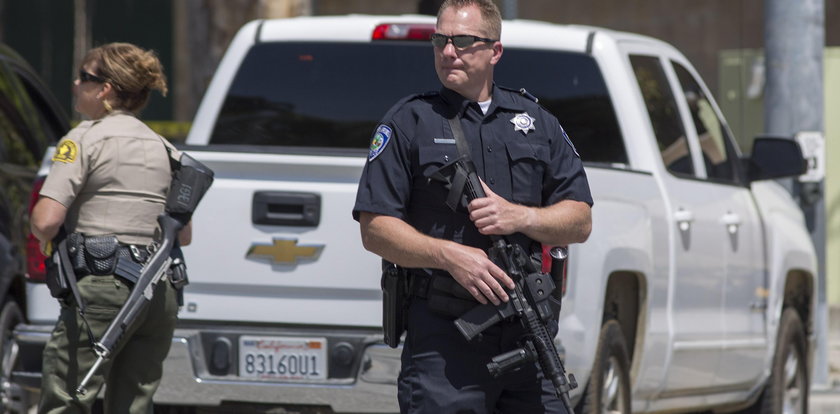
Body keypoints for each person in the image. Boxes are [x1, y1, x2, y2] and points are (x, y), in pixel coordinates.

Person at [352, 1, 593, 412]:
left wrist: (522, 216)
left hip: (527, 331)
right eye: (440, 41)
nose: (448, 52)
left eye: (463, 41)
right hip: (444, 341)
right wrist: (447, 255)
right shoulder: (410, 121)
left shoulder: (535, 120)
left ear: (495, 51)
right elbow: (375, 226)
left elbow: (580, 219)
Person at [31, 42, 188, 414]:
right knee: (135, 403)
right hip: (158, 291)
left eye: (84, 77)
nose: (75, 83)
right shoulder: (166, 149)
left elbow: (46, 220)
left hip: (101, 286)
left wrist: (40, 230)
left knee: (67, 398)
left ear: (104, 90)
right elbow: (184, 233)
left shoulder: (83, 139)